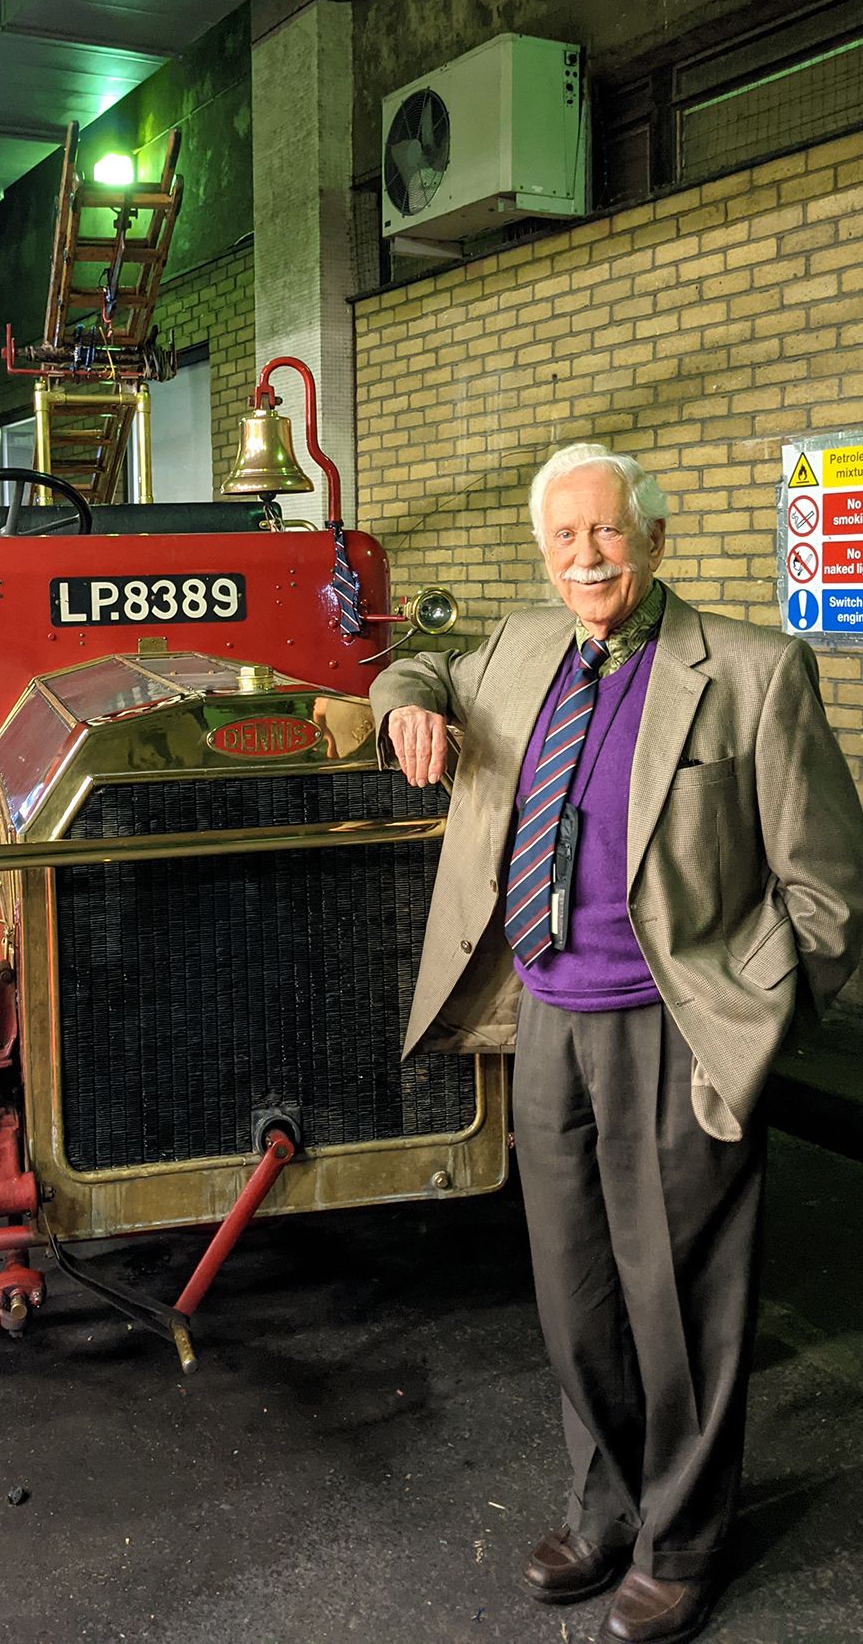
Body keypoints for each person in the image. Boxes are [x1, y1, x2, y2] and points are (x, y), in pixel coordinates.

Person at [370, 441, 863, 1644]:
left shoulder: (750, 670)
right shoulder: (526, 648)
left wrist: (745, 1027)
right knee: (575, 1290)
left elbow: (830, 892)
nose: (585, 556)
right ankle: (604, 1509)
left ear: (651, 538)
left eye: (606, 533)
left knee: (684, 1304)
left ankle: (686, 1540)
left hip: (673, 1030)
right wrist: (408, 706)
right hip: (548, 1018)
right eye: (563, 538)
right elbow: (412, 661)